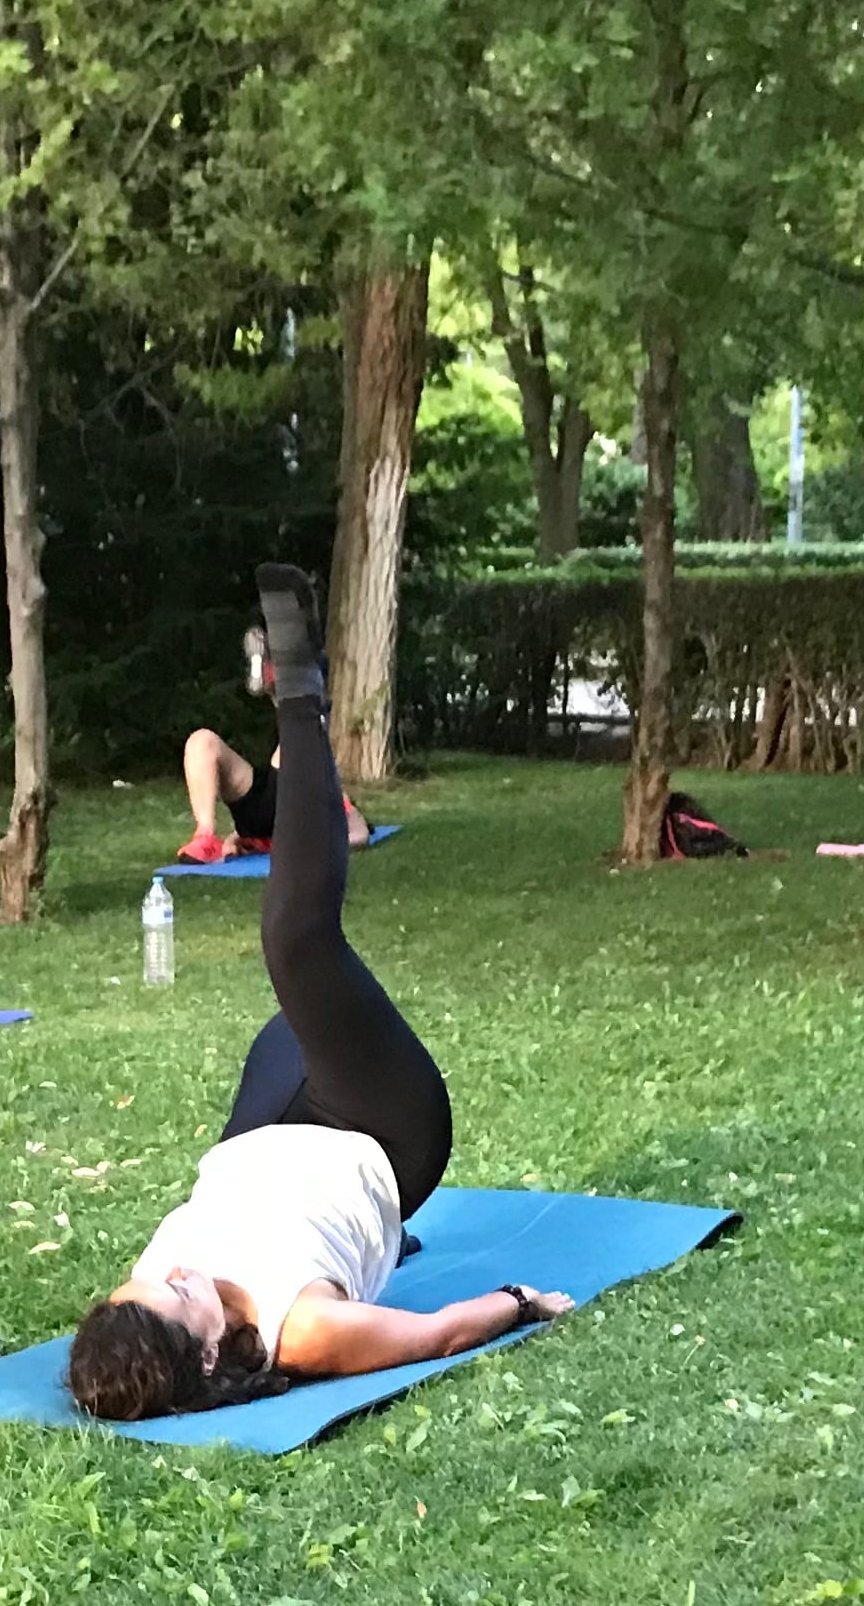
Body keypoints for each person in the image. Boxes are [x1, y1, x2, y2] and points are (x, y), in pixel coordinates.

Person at [64, 567, 572, 1419]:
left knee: (292, 1011)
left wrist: (147, 1309)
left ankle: (294, 754)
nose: (169, 1272)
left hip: (267, 1130)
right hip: (381, 1128)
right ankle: (300, 694)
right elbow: (438, 1333)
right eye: (177, 1297)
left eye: (145, 1288)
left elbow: (141, 1320)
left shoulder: (141, 1309)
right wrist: (522, 1303)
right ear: (215, 1352)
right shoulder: (308, 1330)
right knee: (296, 945)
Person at [172, 726, 372, 865]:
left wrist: (313, 847)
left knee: (298, 738)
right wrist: (235, 838)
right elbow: (359, 833)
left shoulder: (331, 802)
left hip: (284, 809)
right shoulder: (327, 788)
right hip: (269, 799)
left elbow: (360, 834)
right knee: (202, 740)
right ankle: (205, 834)